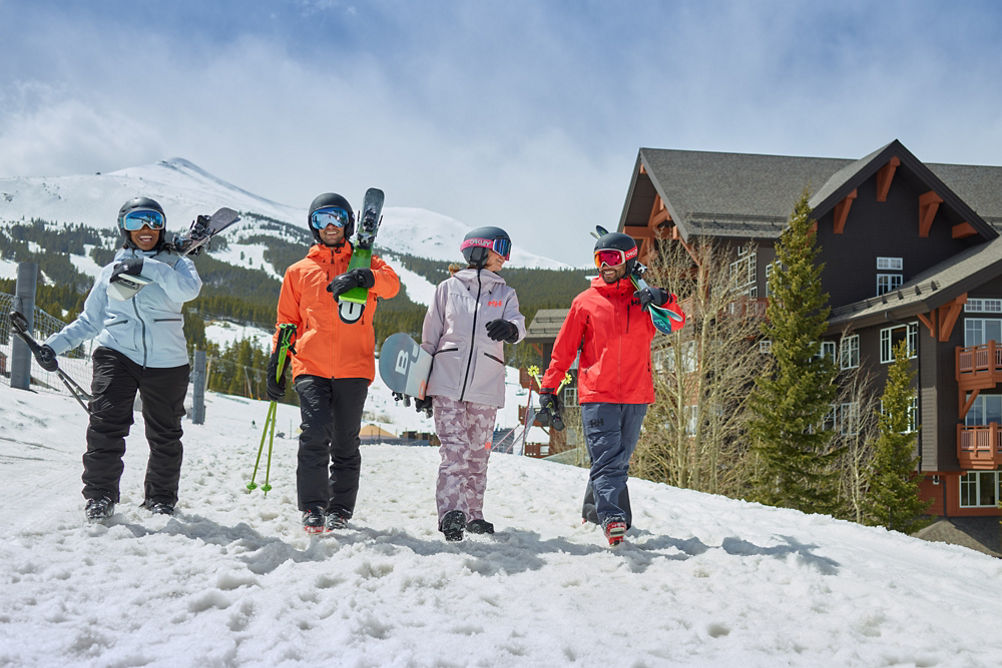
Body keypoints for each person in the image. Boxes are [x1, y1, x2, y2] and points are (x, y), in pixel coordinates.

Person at [37, 196, 203, 522]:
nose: (145, 229)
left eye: (154, 221)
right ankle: (99, 496)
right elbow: (89, 321)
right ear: (123, 228)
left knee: (165, 433)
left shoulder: (178, 263)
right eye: (136, 221)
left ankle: (160, 499)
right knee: (106, 424)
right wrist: (53, 346)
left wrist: (149, 267)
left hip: (167, 361)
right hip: (117, 352)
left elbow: (188, 291)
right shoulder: (109, 272)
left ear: (162, 227)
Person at [268, 192, 400, 534]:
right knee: (313, 435)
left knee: (345, 441)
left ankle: (339, 509)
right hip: (310, 365)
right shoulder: (299, 272)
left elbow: (392, 286)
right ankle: (313, 506)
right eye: (321, 219)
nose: (329, 225)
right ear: (312, 225)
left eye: (337, 218)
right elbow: (286, 321)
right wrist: (277, 363)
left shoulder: (366, 262)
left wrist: (365, 277)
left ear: (348, 223)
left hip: (354, 367)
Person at [539, 231, 680, 546]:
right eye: (600, 259)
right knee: (607, 458)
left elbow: (677, 321)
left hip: (636, 393)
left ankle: (593, 510)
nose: (605, 265)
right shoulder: (585, 302)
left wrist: (661, 297)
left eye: (612, 258)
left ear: (628, 260)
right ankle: (613, 518)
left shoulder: (643, 301)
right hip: (597, 395)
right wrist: (549, 388)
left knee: (618, 460)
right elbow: (563, 351)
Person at [419, 227, 526, 541]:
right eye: (500, 250)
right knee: (454, 451)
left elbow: (519, 323)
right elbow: (429, 339)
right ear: (478, 252)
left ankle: (473, 515)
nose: (504, 258)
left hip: (485, 384)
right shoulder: (447, 289)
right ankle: (452, 513)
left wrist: (510, 328)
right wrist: (421, 385)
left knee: (478, 454)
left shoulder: (505, 294)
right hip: (446, 382)